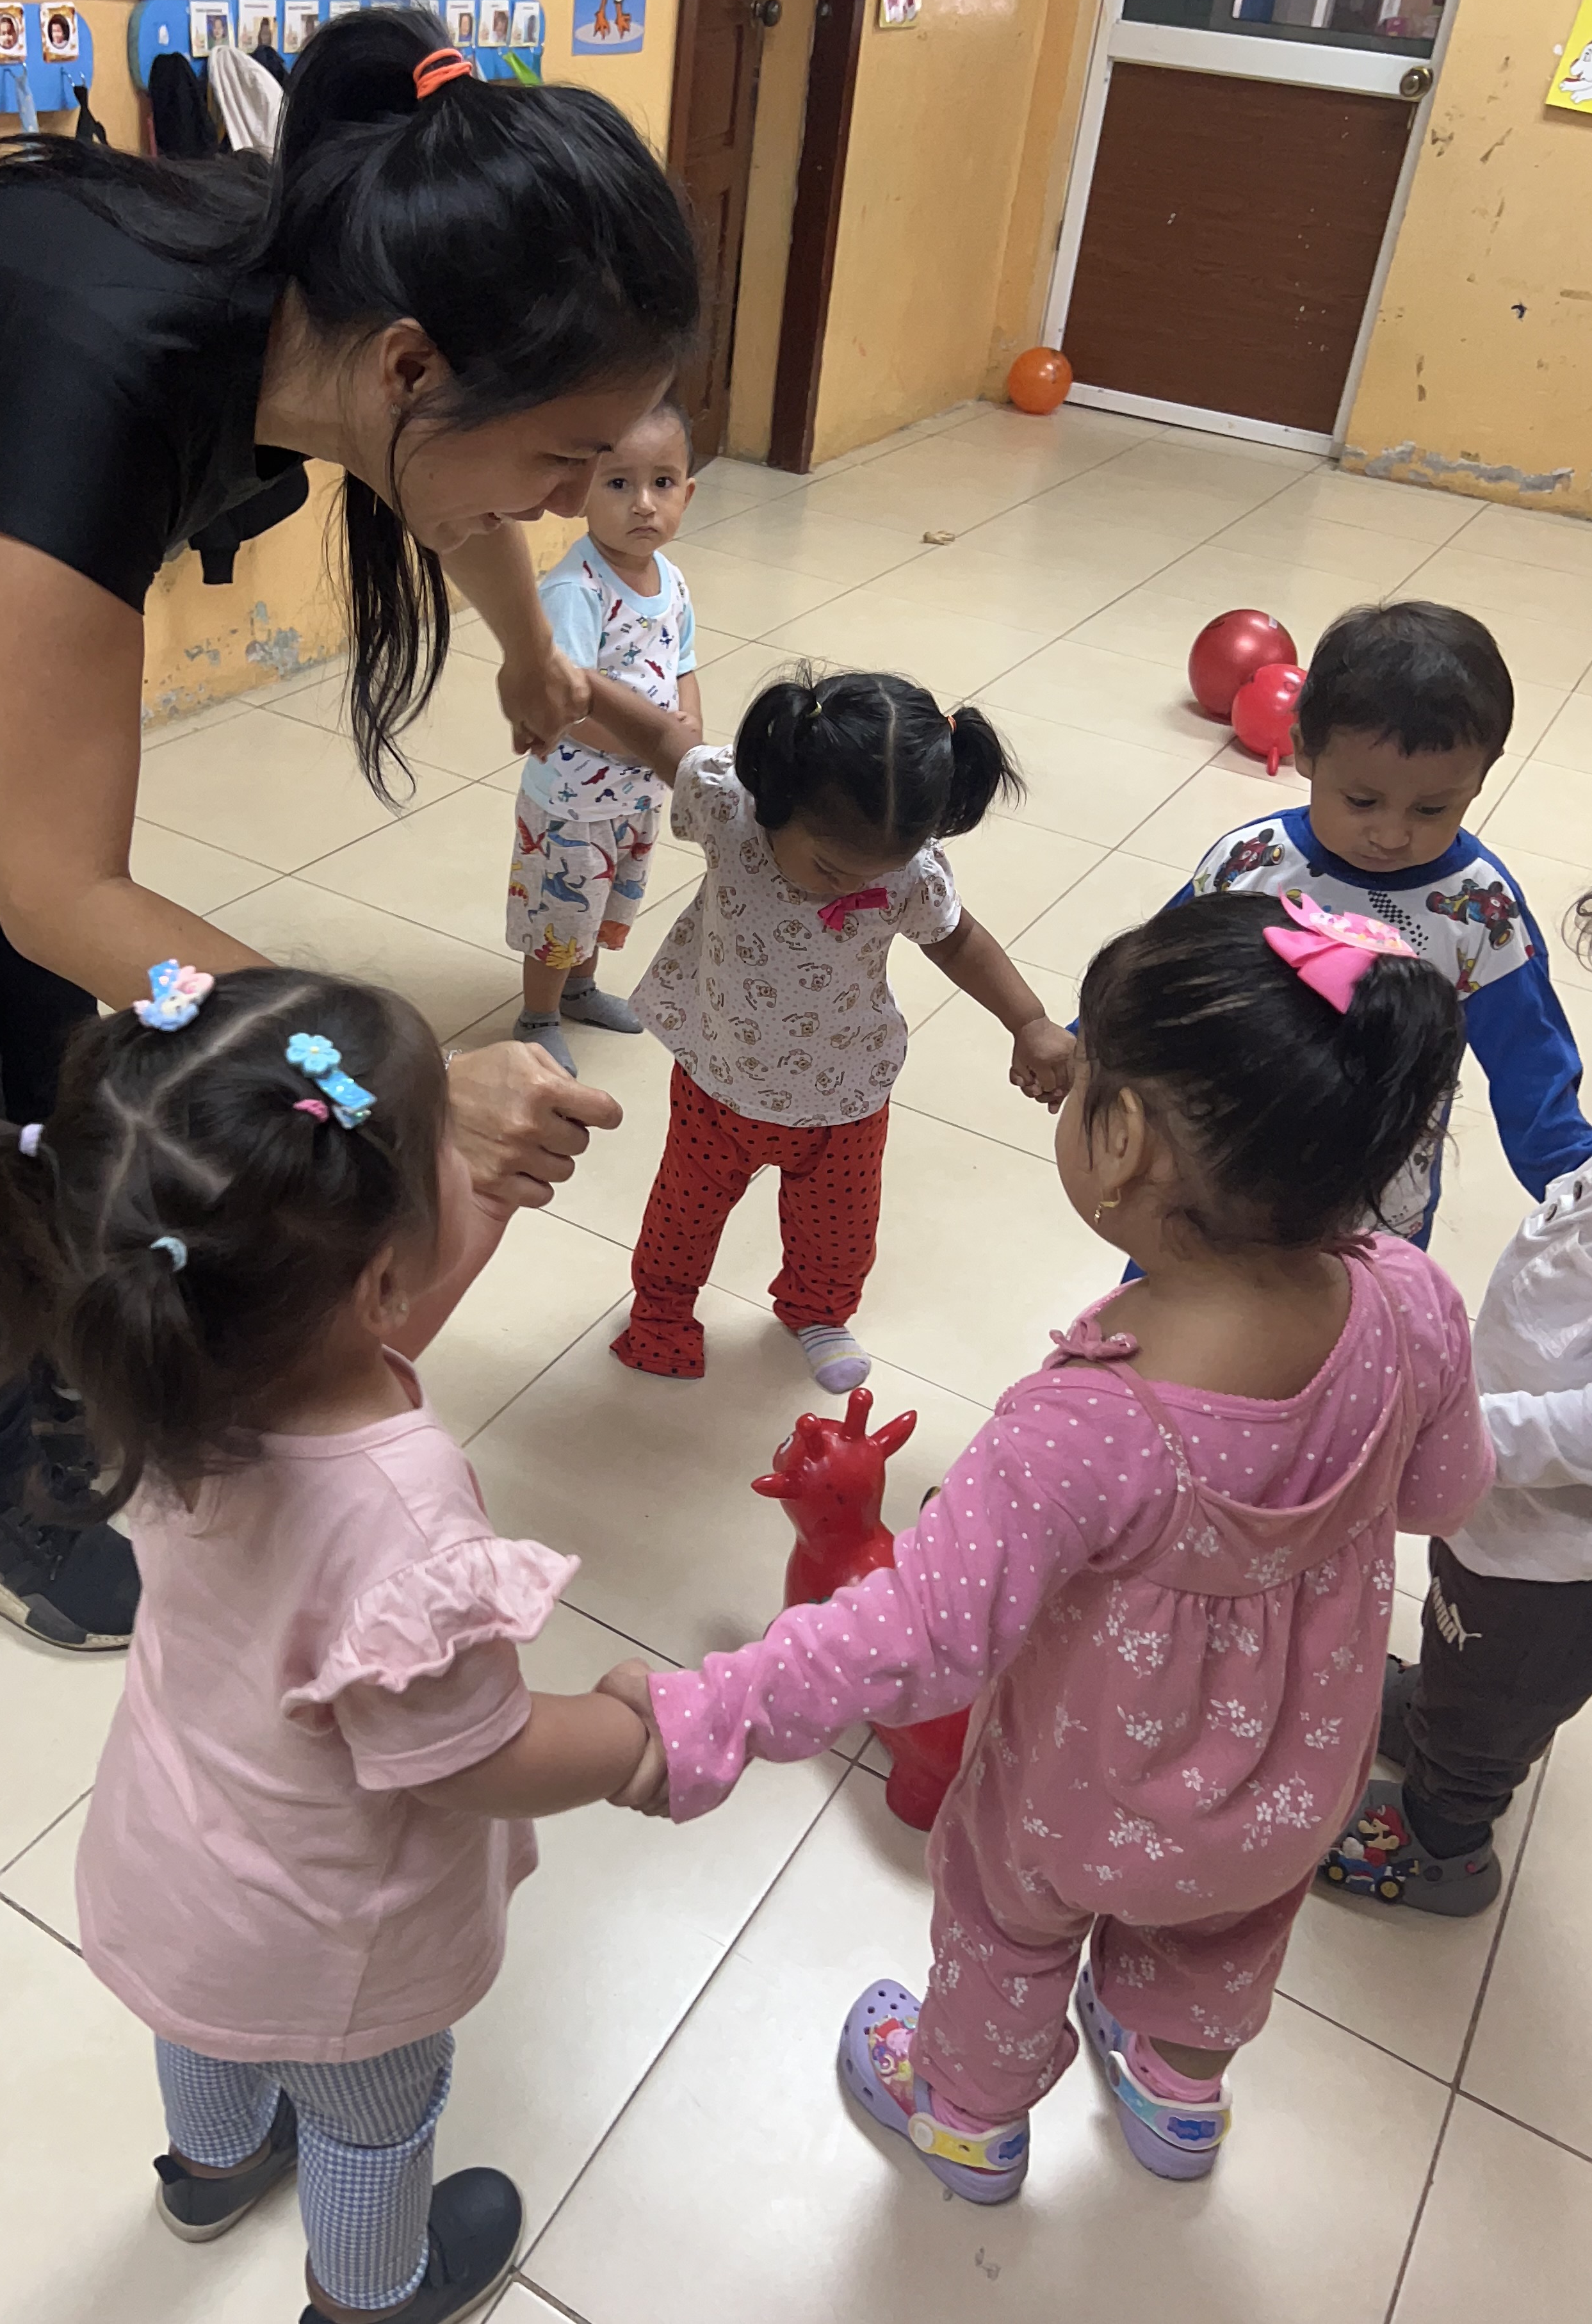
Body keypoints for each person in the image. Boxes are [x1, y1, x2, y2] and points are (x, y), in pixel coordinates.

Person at [0, 6, 696, 1653]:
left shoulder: (336, 285)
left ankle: (57, 1387)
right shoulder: (103, 374)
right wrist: (399, 1078)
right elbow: (64, 891)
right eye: (566, 458)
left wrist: (532, 655)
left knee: (40, 1062)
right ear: (410, 367)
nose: (563, 499)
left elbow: (460, 482)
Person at [602, 893, 1492, 2199]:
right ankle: (1177, 2100)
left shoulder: (1089, 1421)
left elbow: (912, 1635)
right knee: (1222, 1936)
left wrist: (703, 1714)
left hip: (1081, 1789)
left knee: (1005, 1933)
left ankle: (965, 2121)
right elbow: (1442, 1495)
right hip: (1293, 1782)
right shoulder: (1410, 1298)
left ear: (1119, 1141)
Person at [0, 964, 660, 2323]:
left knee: (204, 2037)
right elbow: (473, 1754)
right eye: (444, 1152)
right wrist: (630, 1736)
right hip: (330, 1946)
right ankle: (369, 2293)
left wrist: (468, 1210)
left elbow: (354, 1345)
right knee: (376, 2119)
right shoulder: (403, 1514)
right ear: (377, 1278)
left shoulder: (157, 1365)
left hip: (175, 1865)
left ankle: (210, 2170)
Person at [587, 668, 1076, 1391]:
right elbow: (664, 738)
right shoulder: (732, 809)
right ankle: (661, 1312)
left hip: (844, 1090)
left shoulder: (910, 871)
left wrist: (1027, 1020)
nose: (852, 885)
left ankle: (818, 1314)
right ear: (780, 801)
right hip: (717, 1076)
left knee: (839, 1231)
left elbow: (957, 940)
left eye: (874, 872)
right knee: (682, 1214)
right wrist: (580, 690)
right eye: (830, 865)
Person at [1322, 898, 1592, 1915]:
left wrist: (1461, 1431)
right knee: (1455, 1602)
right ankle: (1440, 1700)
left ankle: (1444, 1837)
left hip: (1556, 1565)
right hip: (1499, 1496)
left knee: (1495, 1691)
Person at [1173, 601, 1590, 1242]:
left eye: (1431, 809)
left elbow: (1530, 1065)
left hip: (1369, 1217)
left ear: (1480, 778)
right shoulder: (1254, 862)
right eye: (1362, 801)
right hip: (1216, 1182)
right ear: (1305, 750)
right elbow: (1161, 974)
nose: (1392, 835)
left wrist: (1573, 1179)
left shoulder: (1480, 912)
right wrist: (1090, 1042)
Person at [506, 400, 698, 1077]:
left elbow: (683, 662)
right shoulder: (576, 591)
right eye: (619, 483)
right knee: (561, 913)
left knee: (608, 898)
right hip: (572, 804)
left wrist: (689, 723)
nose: (644, 504)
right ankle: (538, 1016)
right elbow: (562, 701)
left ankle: (580, 990)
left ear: (687, 494)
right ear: (580, 493)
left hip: (635, 794)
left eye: (662, 483)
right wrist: (647, 741)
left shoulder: (671, 581)